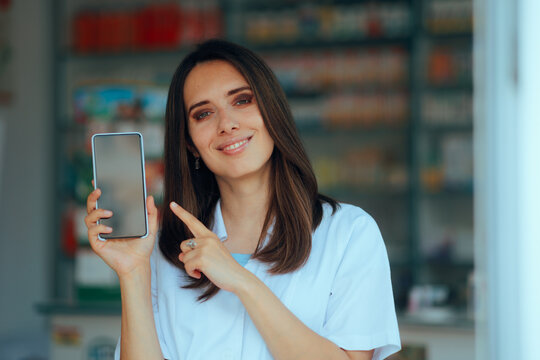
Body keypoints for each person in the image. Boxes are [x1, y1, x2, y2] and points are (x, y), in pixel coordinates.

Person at [85, 39, 400, 360]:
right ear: (191, 143)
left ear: (272, 111)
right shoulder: (166, 250)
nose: (227, 124)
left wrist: (242, 281)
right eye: (204, 113)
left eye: (242, 100)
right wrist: (133, 272)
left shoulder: (348, 233)